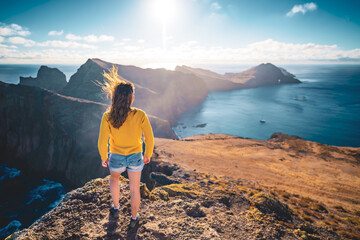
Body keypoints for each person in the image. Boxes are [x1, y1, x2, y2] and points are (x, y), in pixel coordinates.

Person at [97, 66, 154, 228]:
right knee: (134, 189)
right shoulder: (140, 114)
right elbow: (148, 137)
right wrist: (147, 154)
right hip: (136, 156)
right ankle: (134, 219)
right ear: (130, 97)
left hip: (116, 156)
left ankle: (116, 208)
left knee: (114, 180)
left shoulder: (108, 116)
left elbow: (102, 141)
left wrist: (104, 157)